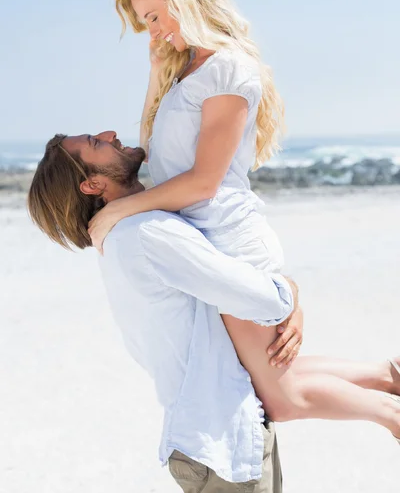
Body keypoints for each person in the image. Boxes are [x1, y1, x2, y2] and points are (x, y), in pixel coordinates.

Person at [87, 0, 400, 441]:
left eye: (153, 16)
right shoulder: (188, 70)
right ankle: (390, 377)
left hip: (230, 239)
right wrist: (154, 73)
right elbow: (153, 153)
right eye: (145, 22)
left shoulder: (227, 69)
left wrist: (119, 209)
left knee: (283, 397)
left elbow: (203, 181)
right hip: (207, 241)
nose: (154, 31)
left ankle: (392, 412)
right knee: (269, 379)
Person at [28, 133, 400, 493]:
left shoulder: (122, 236)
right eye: (95, 144)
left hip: (211, 442)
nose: (109, 134)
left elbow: (234, 351)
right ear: (92, 185)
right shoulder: (146, 232)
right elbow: (266, 302)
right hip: (220, 450)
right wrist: (292, 291)